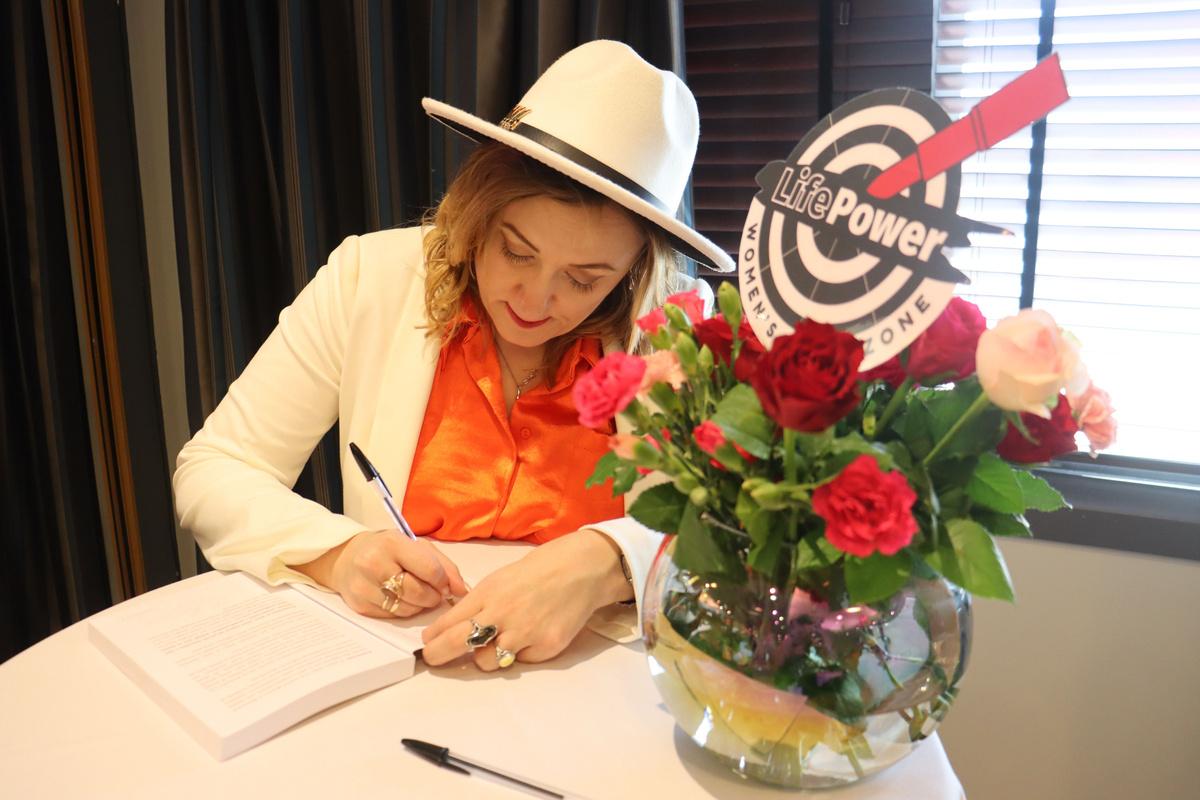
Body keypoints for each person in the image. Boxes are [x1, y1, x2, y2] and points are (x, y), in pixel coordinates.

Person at [173, 40, 735, 673]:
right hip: (408, 670)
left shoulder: (675, 331)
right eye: (516, 252)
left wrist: (608, 562)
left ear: (634, 272)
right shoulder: (370, 280)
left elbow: (736, 528)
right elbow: (214, 469)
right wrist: (338, 554)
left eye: (584, 280)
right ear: (477, 212)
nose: (535, 300)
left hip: (602, 682)